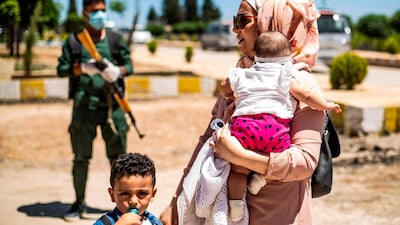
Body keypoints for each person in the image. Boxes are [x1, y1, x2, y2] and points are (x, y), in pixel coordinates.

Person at [159, 0, 325, 224]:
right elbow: (208, 139)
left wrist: (240, 157)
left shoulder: (300, 84)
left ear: (271, 23)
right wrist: (176, 202)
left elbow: (304, 162)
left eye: (242, 21)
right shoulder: (241, 76)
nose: (235, 28)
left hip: (278, 213)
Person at [220, 31, 341, 222]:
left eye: (242, 21)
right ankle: (261, 178)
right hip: (274, 131)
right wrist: (326, 105)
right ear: (287, 56)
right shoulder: (286, 74)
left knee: (238, 169)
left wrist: (229, 94)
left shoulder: (243, 74)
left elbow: (225, 86)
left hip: (243, 130)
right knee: (275, 156)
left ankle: (235, 206)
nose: (237, 30)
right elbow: (306, 96)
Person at [57, 0, 133, 221]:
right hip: (85, 107)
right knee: (81, 157)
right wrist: (82, 68)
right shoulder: (74, 40)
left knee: (120, 160)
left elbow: (129, 66)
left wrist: (117, 71)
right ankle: (78, 202)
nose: (99, 14)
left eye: (102, 11)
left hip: (113, 107)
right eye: (95, 11)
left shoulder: (115, 39)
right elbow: (61, 69)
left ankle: (124, 209)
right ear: (85, 13)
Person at [93, 153, 162, 225]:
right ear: (112, 195)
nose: (133, 201)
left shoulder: (153, 222)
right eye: (125, 193)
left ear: (152, 195)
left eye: (142, 193)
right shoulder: (105, 222)